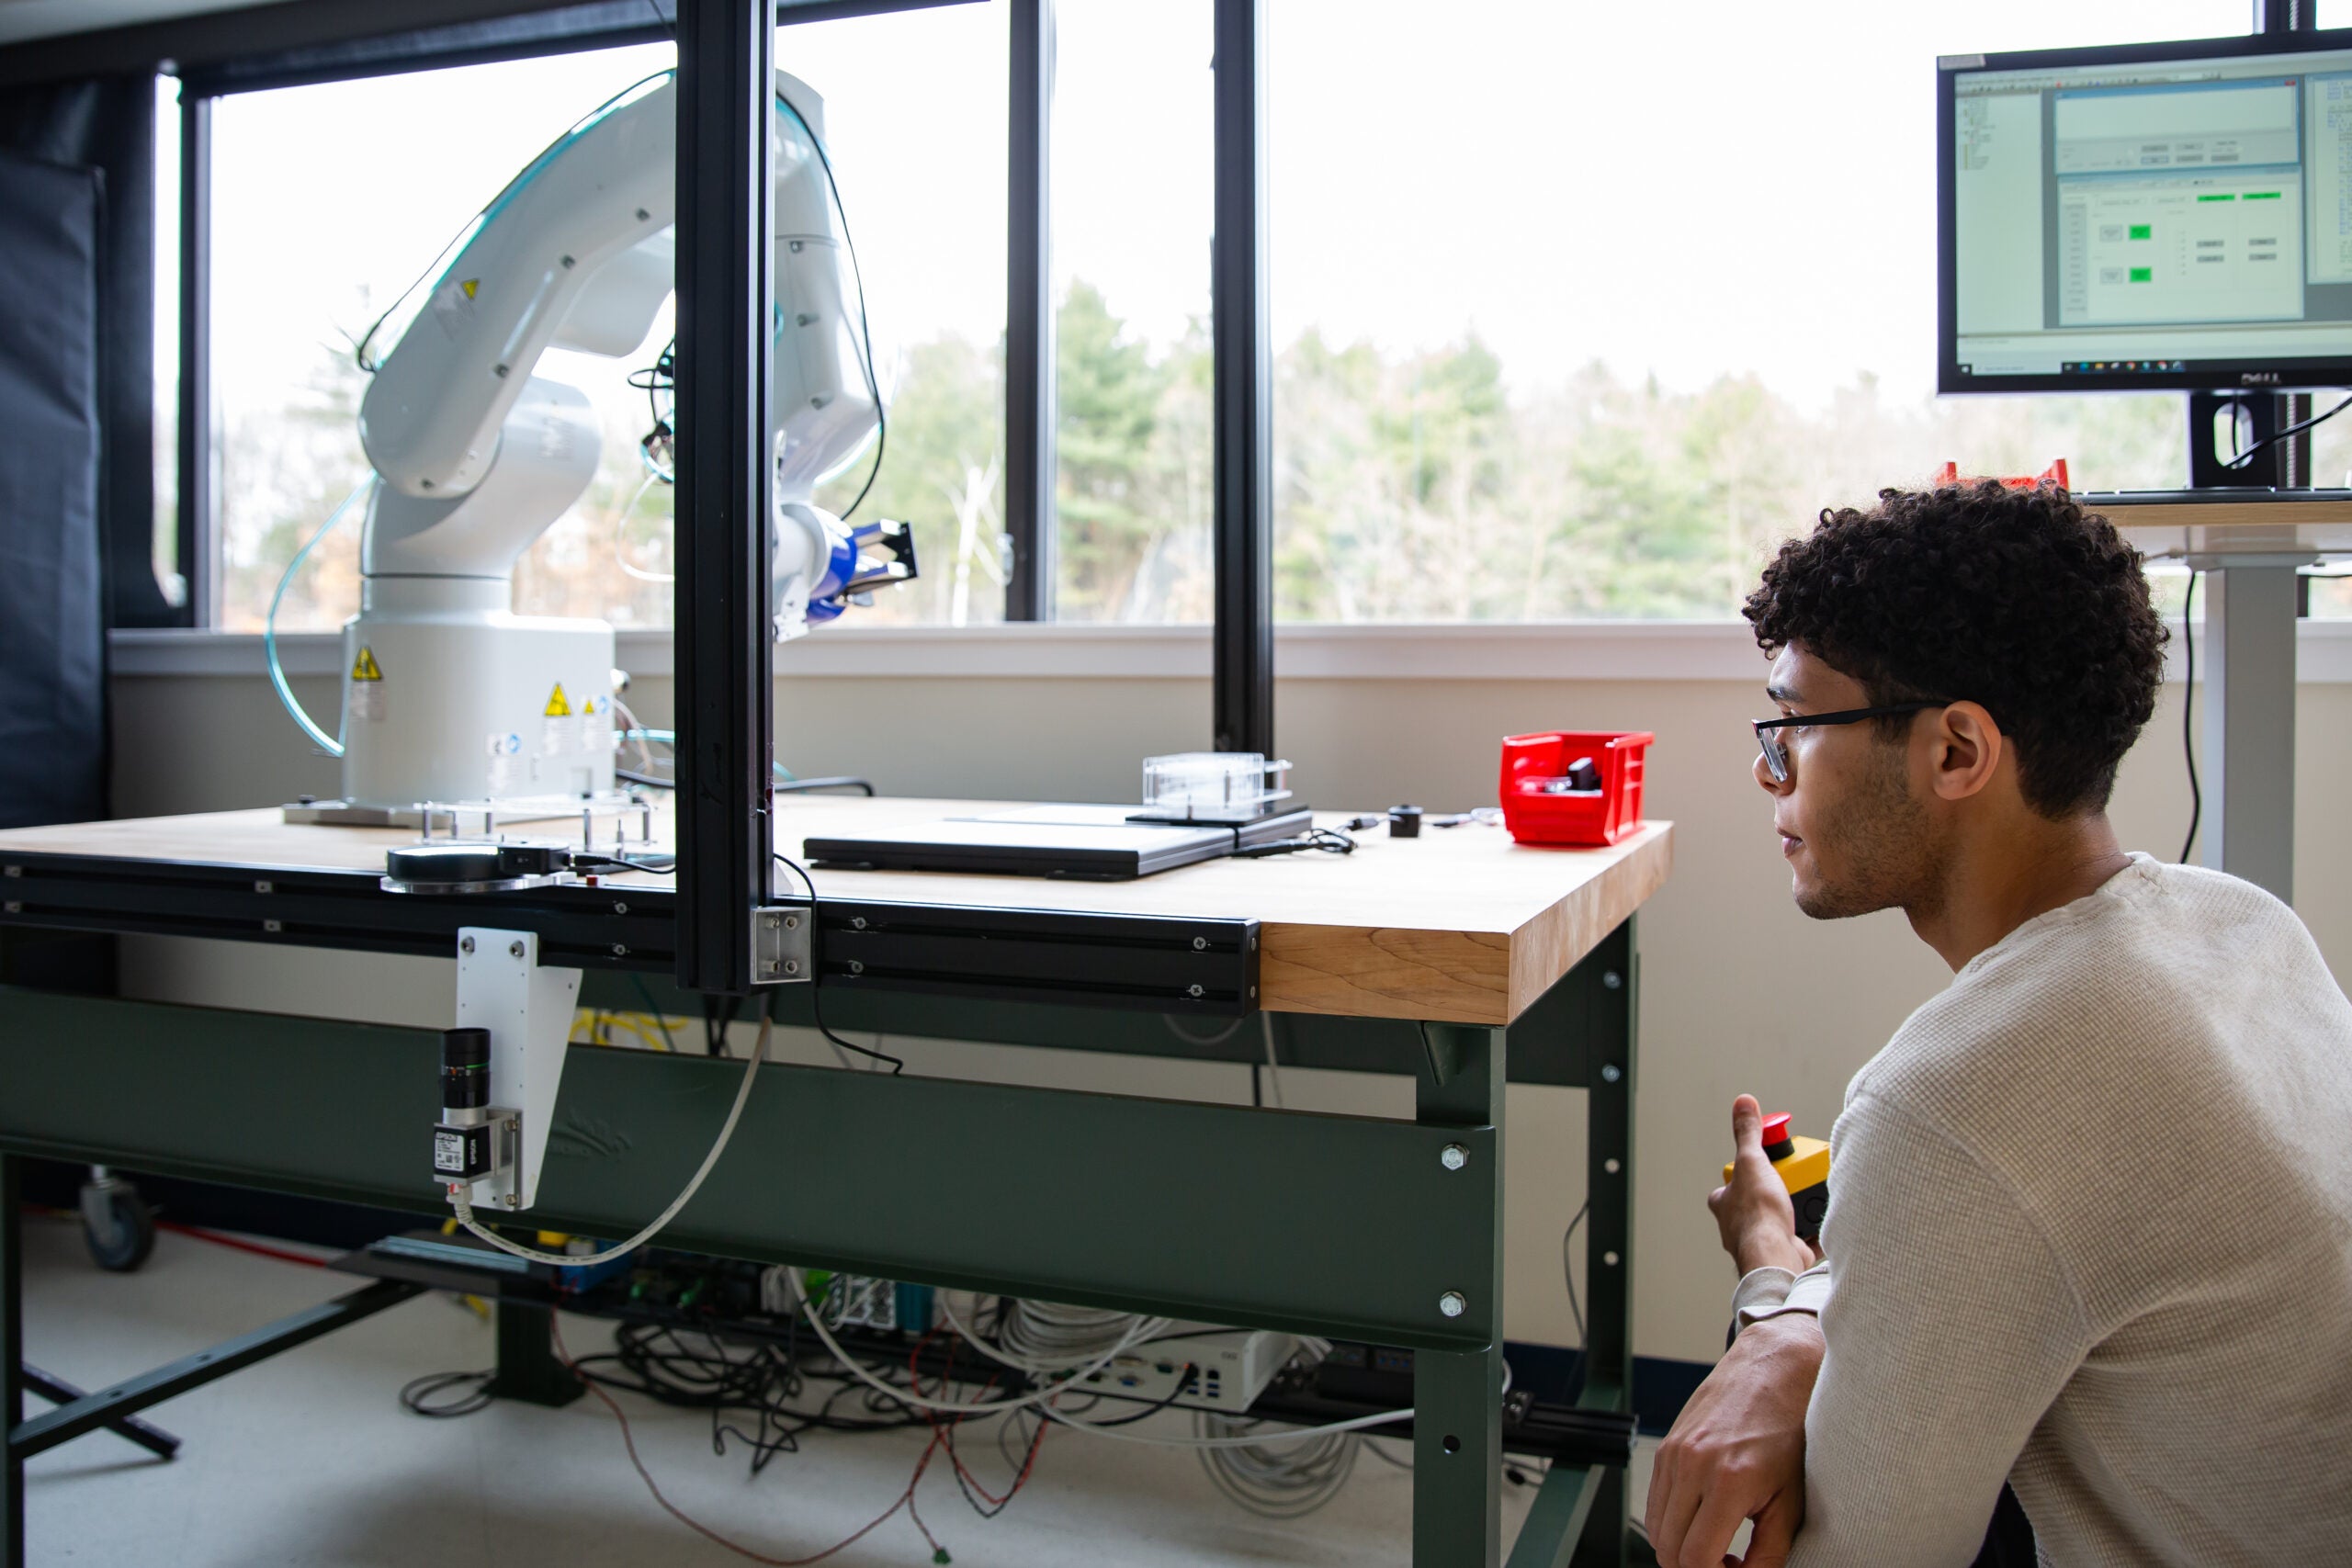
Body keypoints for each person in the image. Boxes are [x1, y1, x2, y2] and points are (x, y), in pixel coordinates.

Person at [1645, 483, 2352, 1568]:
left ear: (1958, 752)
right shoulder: (2242, 925)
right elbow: (2023, 1229)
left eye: (1793, 725)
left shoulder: (1955, 1098)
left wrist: (1767, 1286)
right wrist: (1792, 1311)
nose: (1765, 767)